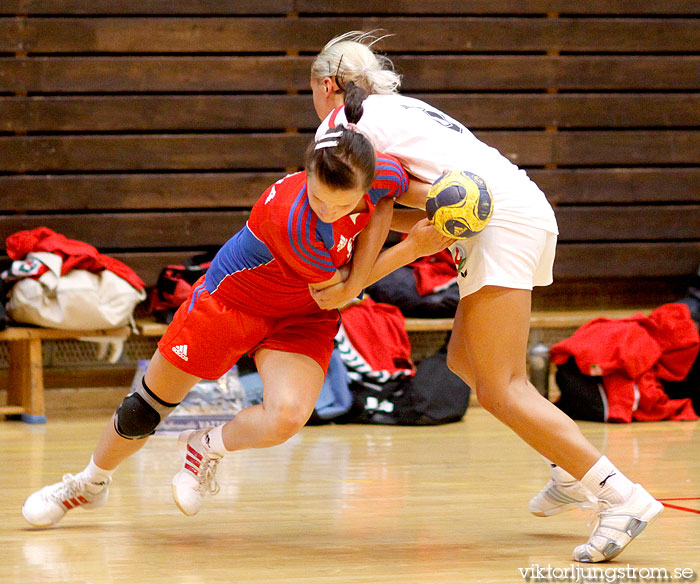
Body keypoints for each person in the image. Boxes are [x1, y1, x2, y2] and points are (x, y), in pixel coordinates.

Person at [307, 31, 663, 563]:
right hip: (516, 209)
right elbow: (398, 206)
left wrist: (354, 283)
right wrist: (362, 275)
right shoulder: (398, 107)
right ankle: (569, 468)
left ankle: (622, 498)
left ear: (327, 84)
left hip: (500, 222)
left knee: (501, 387)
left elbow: (368, 207)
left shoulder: (342, 125)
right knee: (464, 361)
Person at [21, 96, 430, 526]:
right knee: (146, 407)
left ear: (366, 186)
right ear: (306, 173)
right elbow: (343, 290)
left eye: (341, 204)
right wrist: (413, 249)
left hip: (299, 314)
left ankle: (206, 447)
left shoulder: (380, 174)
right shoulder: (292, 219)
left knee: (288, 417)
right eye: (317, 196)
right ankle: (88, 484)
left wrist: (445, 209)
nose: (325, 211)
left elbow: (384, 205)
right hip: (233, 303)